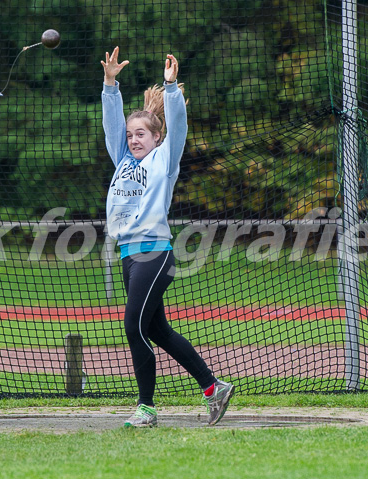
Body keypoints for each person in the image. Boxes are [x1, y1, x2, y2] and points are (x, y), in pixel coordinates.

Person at [101, 47, 234, 427]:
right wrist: (110, 84)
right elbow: (112, 126)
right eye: (130, 134)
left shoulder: (164, 159)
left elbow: (179, 126)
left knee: (133, 327)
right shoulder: (123, 159)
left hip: (155, 254)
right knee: (157, 329)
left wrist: (172, 88)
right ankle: (213, 388)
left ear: (157, 137)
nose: (133, 139)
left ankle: (146, 408)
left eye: (140, 133)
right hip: (129, 256)